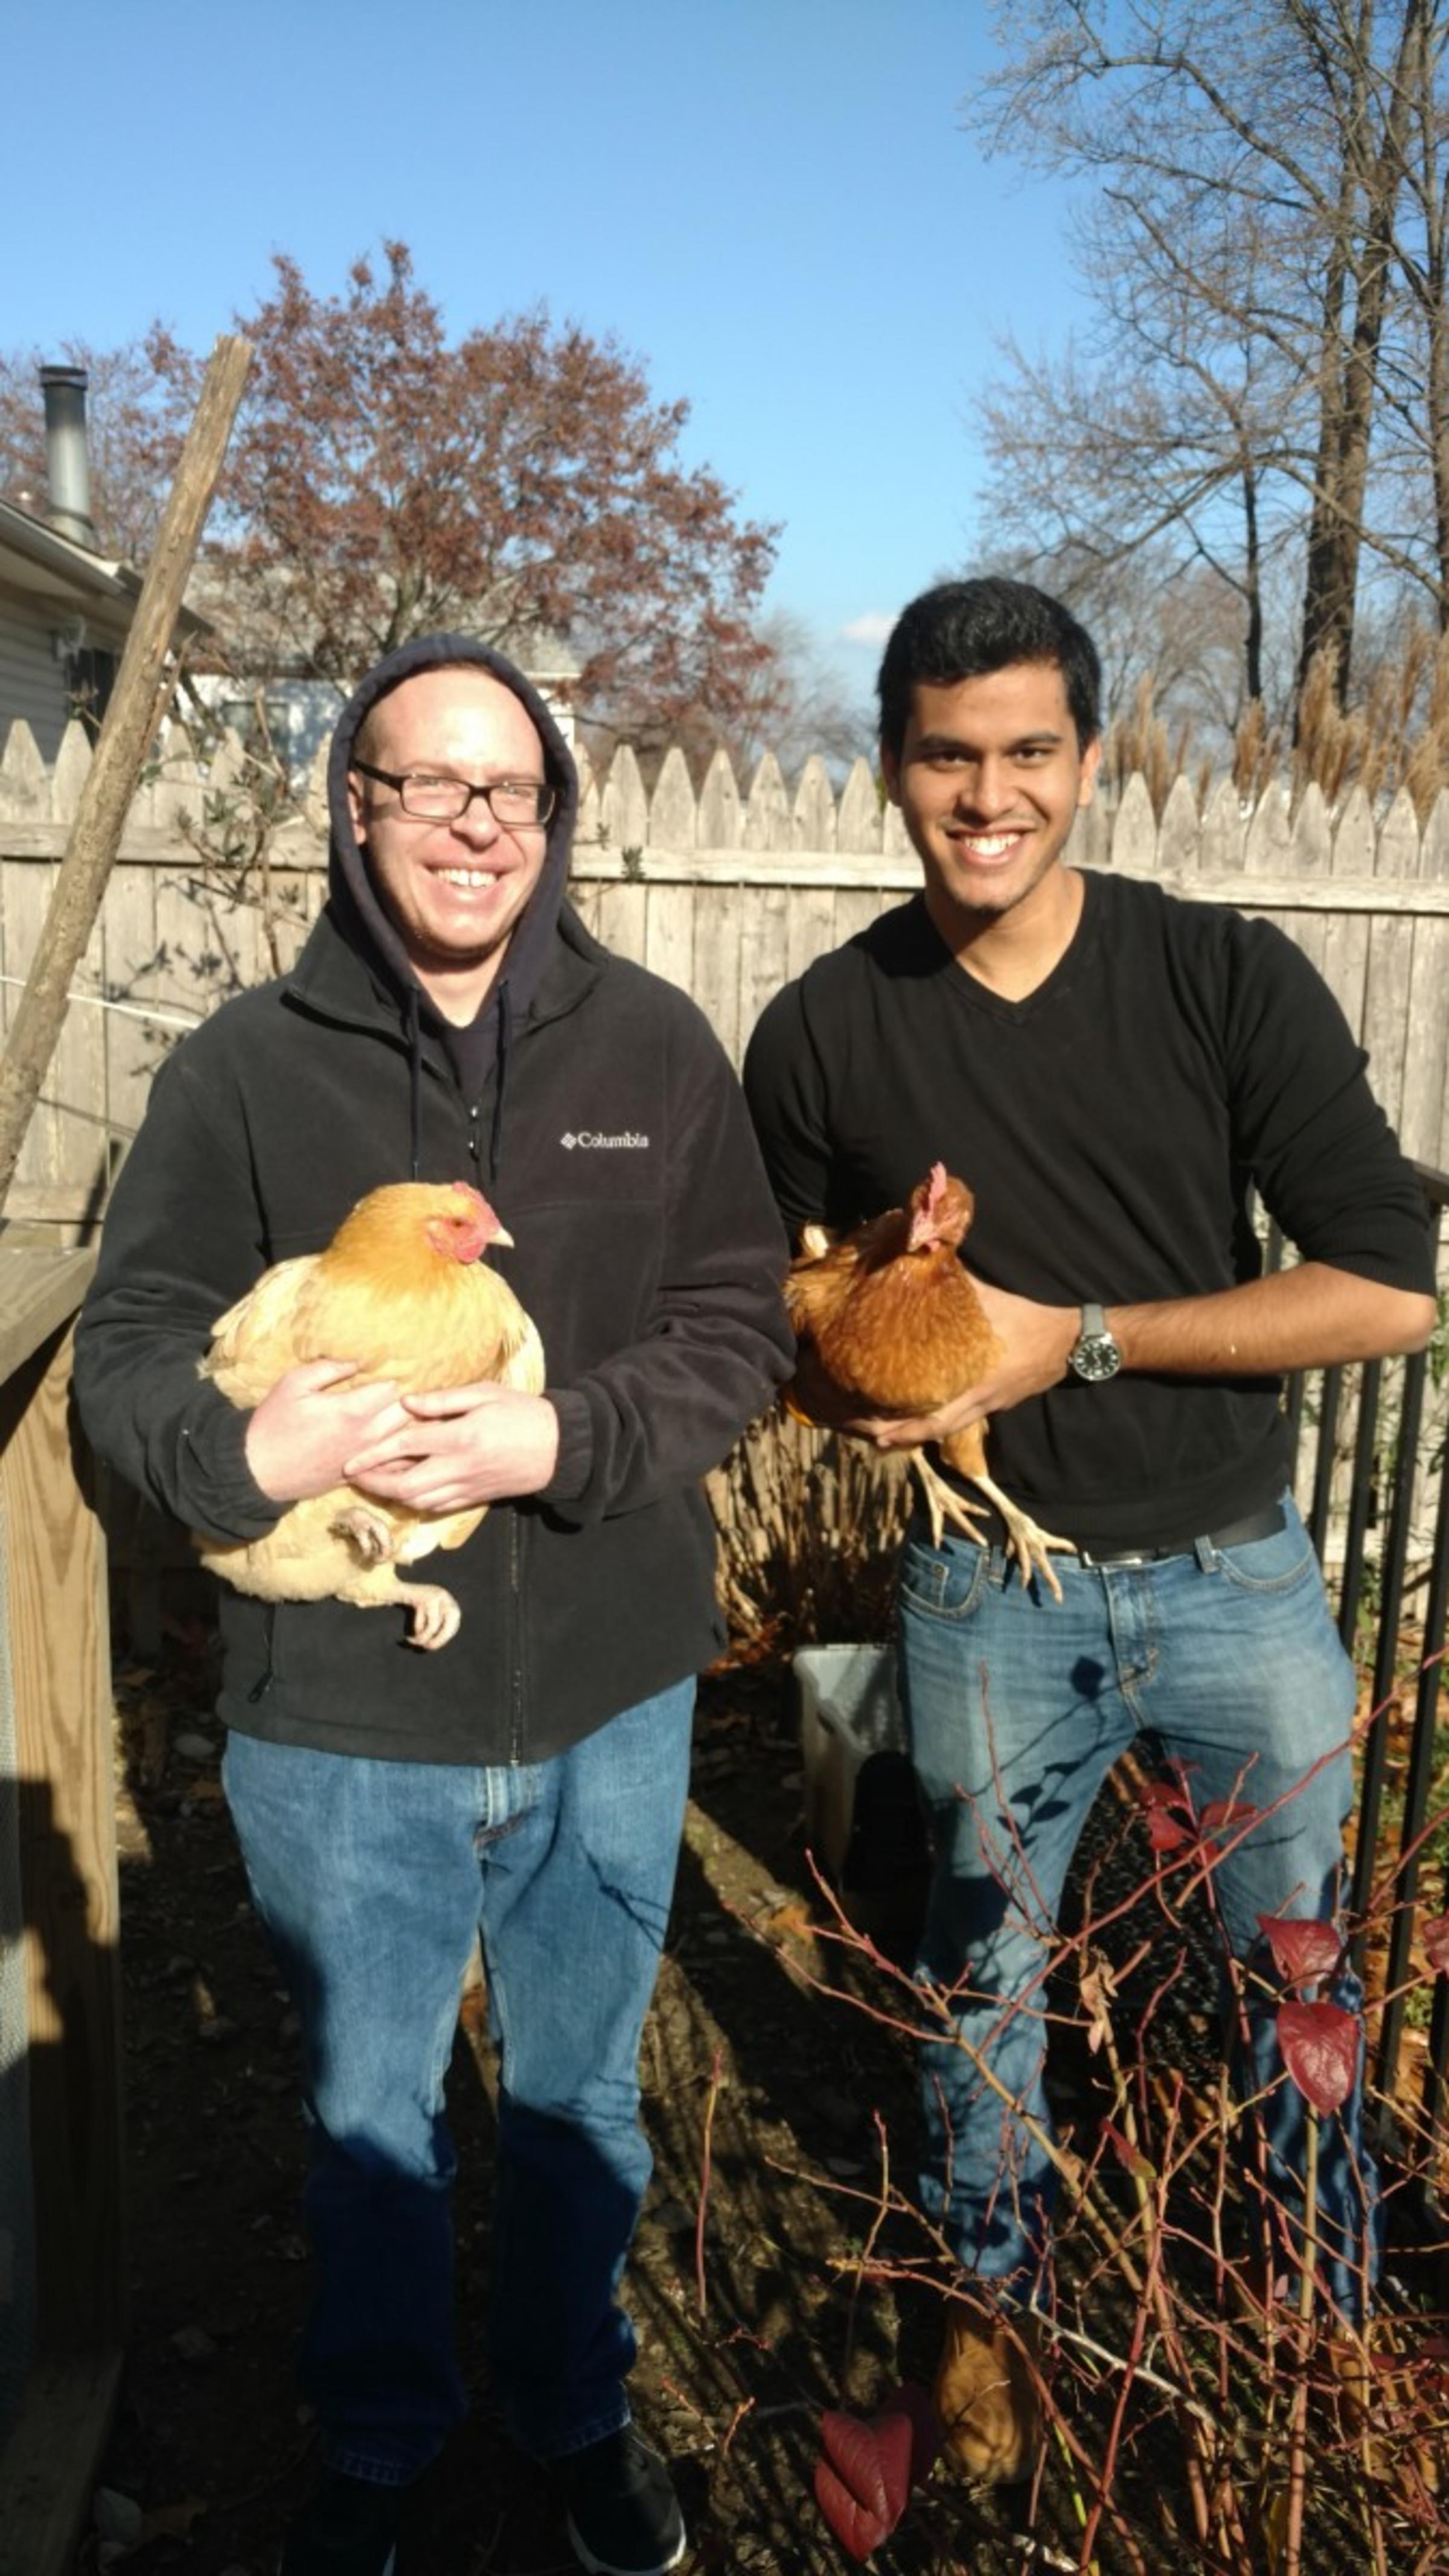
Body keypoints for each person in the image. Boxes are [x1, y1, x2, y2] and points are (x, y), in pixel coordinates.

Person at [75, 634, 792, 2576]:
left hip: (613, 1681)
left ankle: (572, 2400)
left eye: (512, 789)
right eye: (430, 784)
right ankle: (382, 2431)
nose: (476, 824)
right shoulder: (241, 1070)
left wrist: (562, 1437)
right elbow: (129, 1348)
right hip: (337, 1714)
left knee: (577, 2095)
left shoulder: (654, 1047)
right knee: (368, 2113)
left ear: (551, 817)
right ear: (356, 804)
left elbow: (740, 1328)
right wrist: (262, 1454)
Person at [742, 577, 1438, 2484]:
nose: (990, 794)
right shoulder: (823, 1031)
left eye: (1029, 750)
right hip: (986, 1591)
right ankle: (988, 2367)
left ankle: (1310, 2357)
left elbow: (1392, 1289)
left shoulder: (1221, 974)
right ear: (894, 764)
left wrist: (1085, 1340)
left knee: (1298, 1982)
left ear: (1091, 755)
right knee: (982, 1987)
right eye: (949, 754)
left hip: (1237, 1578)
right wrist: (858, 1355)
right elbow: (767, 1321)